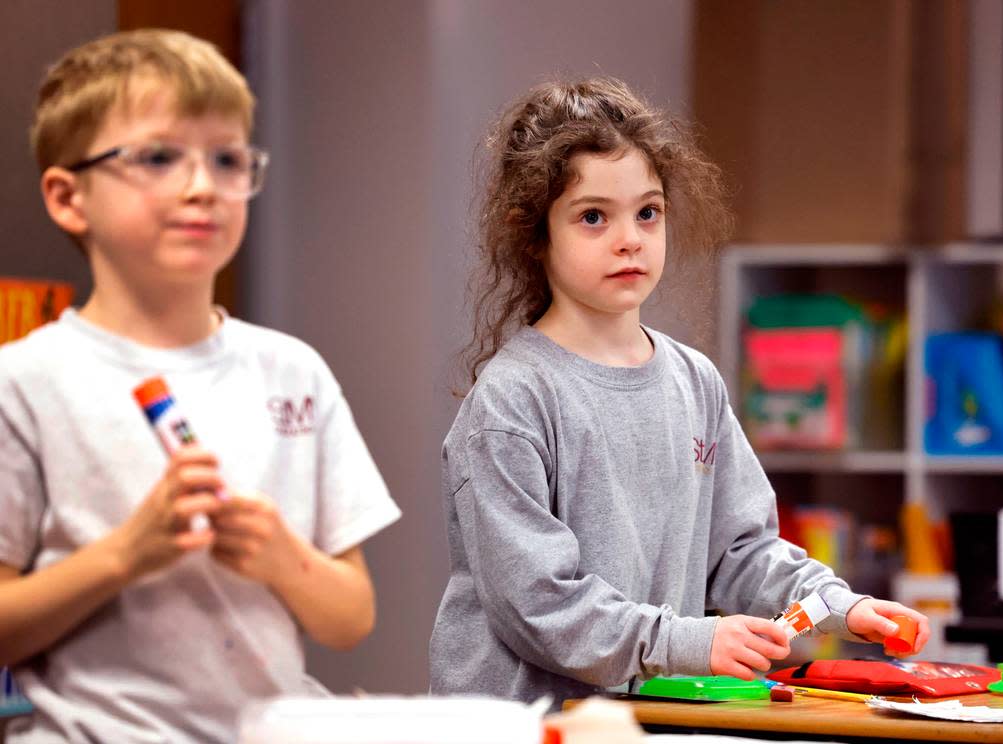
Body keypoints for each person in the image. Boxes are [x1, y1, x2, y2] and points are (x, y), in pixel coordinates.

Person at [429, 77, 929, 705]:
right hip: (524, 727)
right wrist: (688, 642)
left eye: (648, 211)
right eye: (592, 217)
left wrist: (834, 604)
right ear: (532, 233)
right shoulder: (512, 400)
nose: (630, 238)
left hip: (648, 717)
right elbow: (536, 603)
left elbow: (740, 549)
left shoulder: (695, 381)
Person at [0, 29, 400, 742]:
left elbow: (351, 617)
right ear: (68, 198)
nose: (202, 187)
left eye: (227, 159)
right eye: (158, 157)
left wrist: (285, 559)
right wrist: (126, 554)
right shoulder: (25, 382)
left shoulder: (293, 371)